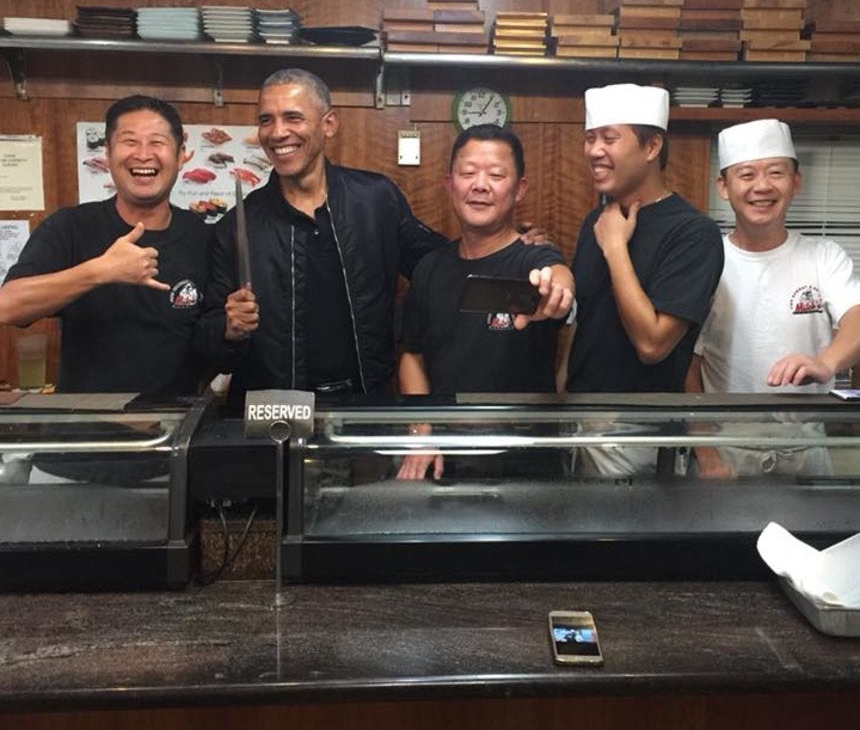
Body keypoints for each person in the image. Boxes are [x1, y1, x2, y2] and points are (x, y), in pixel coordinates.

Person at [194, 68, 447, 410]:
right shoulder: (237, 225)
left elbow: (439, 269)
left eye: (293, 117)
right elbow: (207, 338)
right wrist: (228, 329)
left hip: (364, 405)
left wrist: (505, 249)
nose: (277, 132)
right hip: (274, 416)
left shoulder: (375, 200)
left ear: (329, 124)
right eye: (266, 120)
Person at [396, 124, 574, 480]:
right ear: (450, 184)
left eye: (496, 175)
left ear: (519, 189)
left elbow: (558, 277)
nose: (480, 185)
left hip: (526, 461)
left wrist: (557, 291)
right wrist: (421, 431)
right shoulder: (430, 268)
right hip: (445, 458)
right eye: (468, 173)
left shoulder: (532, 260)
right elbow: (412, 356)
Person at [0, 94, 210, 396]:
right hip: (84, 421)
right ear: (108, 154)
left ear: (180, 156)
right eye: (129, 141)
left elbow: (215, 337)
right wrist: (100, 271)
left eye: (157, 142)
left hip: (173, 421)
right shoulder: (71, 227)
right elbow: (8, 307)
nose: (143, 154)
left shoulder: (203, 237)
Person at [564, 83, 724, 475]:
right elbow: (583, 324)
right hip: (580, 420)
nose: (594, 150)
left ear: (652, 147)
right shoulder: (597, 220)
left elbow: (653, 344)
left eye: (609, 138)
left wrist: (616, 248)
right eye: (589, 138)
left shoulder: (693, 233)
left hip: (643, 434)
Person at [687, 118, 860, 477]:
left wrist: (825, 363)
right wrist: (706, 455)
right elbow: (688, 366)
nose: (762, 186)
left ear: (796, 182)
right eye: (747, 175)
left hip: (808, 448)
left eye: (776, 172)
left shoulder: (823, 256)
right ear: (724, 186)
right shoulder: (706, 262)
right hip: (728, 450)